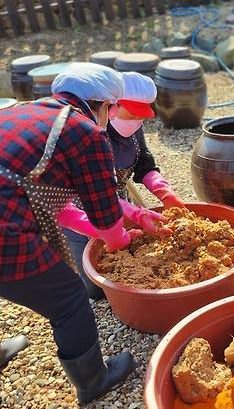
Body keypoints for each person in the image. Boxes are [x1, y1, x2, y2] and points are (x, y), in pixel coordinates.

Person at [0, 63, 143, 404]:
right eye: (111, 109)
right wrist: (128, 243)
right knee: (69, 298)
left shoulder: (12, 114)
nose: (110, 116)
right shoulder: (85, 131)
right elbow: (106, 222)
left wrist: (134, 212)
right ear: (102, 105)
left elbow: (56, 204)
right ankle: (94, 380)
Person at [58, 71, 183, 300]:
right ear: (111, 106)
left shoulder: (133, 129)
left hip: (118, 202)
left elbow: (144, 164)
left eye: (142, 116)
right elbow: (87, 195)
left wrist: (164, 192)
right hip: (78, 209)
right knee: (95, 287)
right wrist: (126, 220)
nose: (138, 120)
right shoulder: (90, 135)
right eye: (133, 113)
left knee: (131, 255)